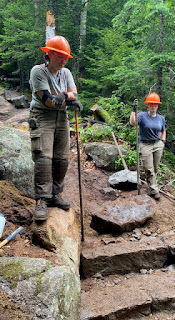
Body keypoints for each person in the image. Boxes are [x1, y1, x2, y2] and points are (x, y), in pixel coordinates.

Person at [29, 35, 82, 221]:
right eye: (60, 56)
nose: (63, 60)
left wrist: (64, 96)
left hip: (62, 117)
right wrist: (67, 98)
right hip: (42, 116)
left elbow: (74, 94)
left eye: (65, 57)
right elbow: (48, 101)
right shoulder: (38, 72)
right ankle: (41, 200)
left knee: (62, 159)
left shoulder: (66, 73)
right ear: (49, 54)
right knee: (44, 158)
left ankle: (55, 195)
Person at [130, 92, 166, 201]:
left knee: (155, 168)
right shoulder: (141, 115)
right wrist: (133, 110)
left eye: (155, 104)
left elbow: (163, 130)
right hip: (145, 144)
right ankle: (155, 190)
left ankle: (151, 187)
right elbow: (133, 123)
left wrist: (163, 141)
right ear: (148, 105)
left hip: (158, 144)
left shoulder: (161, 118)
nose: (153, 106)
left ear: (158, 105)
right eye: (151, 104)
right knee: (148, 168)